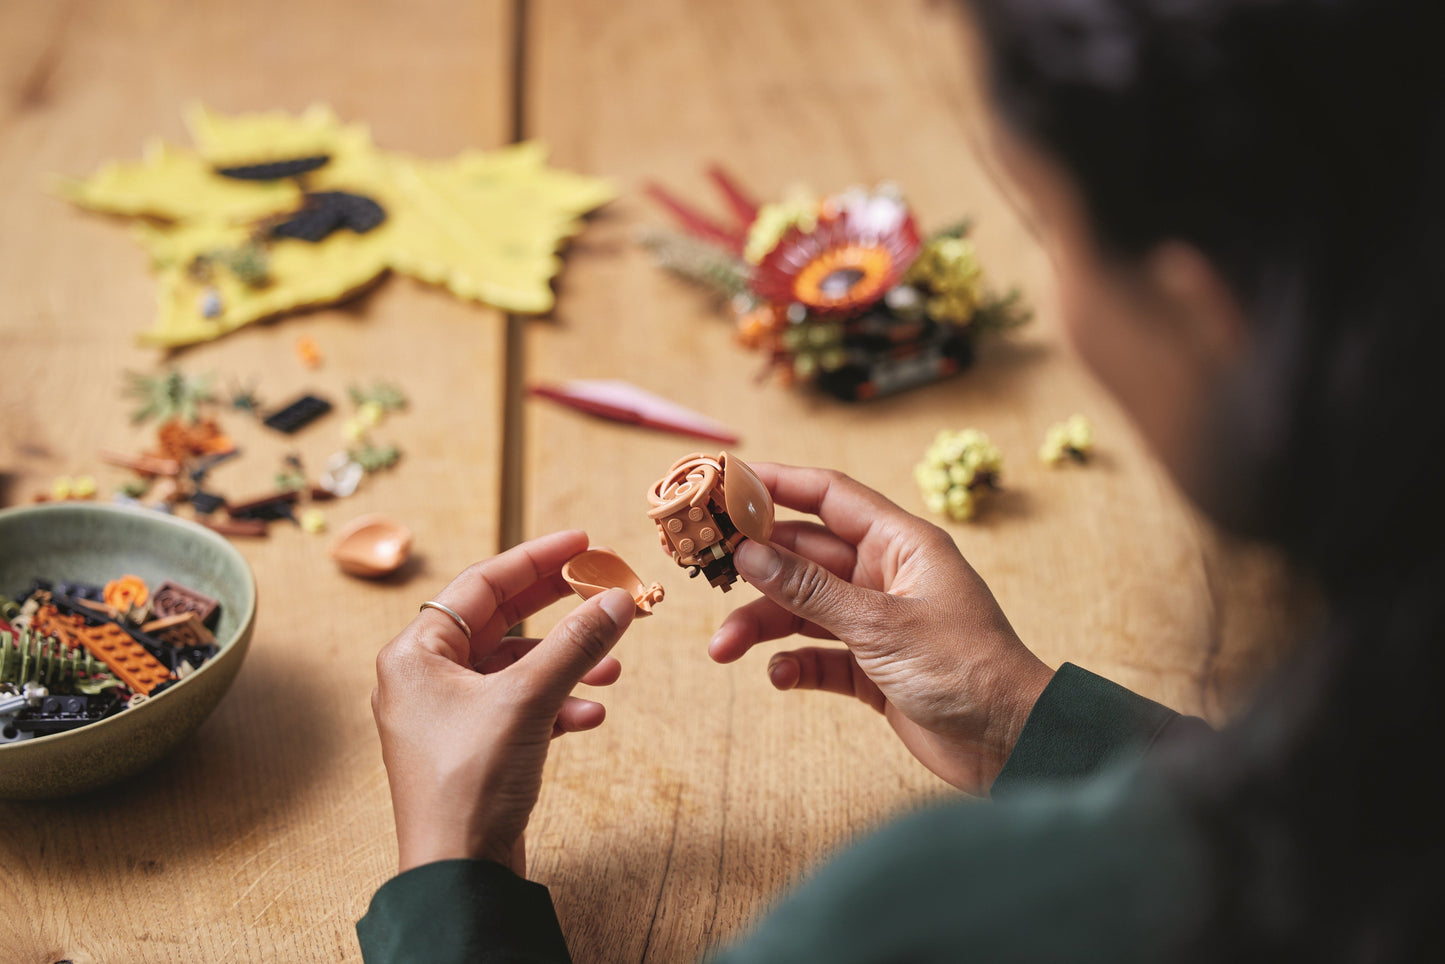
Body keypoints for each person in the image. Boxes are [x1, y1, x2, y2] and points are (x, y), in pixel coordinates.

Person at [358, 0, 1444, 959]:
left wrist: (454, 876)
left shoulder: (914, 918)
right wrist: (1023, 717)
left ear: (1207, 317)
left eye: (1048, 232)